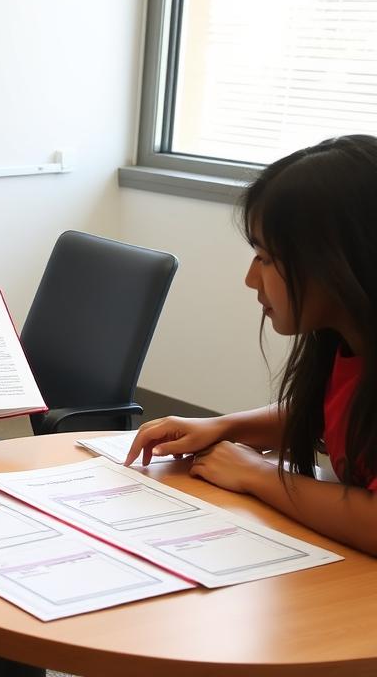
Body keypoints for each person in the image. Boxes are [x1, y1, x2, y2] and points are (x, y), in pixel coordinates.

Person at [124, 134, 377, 557]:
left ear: (337, 261)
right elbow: (325, 411)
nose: (250, 279)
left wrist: (258, 474)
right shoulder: (346, 343)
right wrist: (224, 427)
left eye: (266, 258)